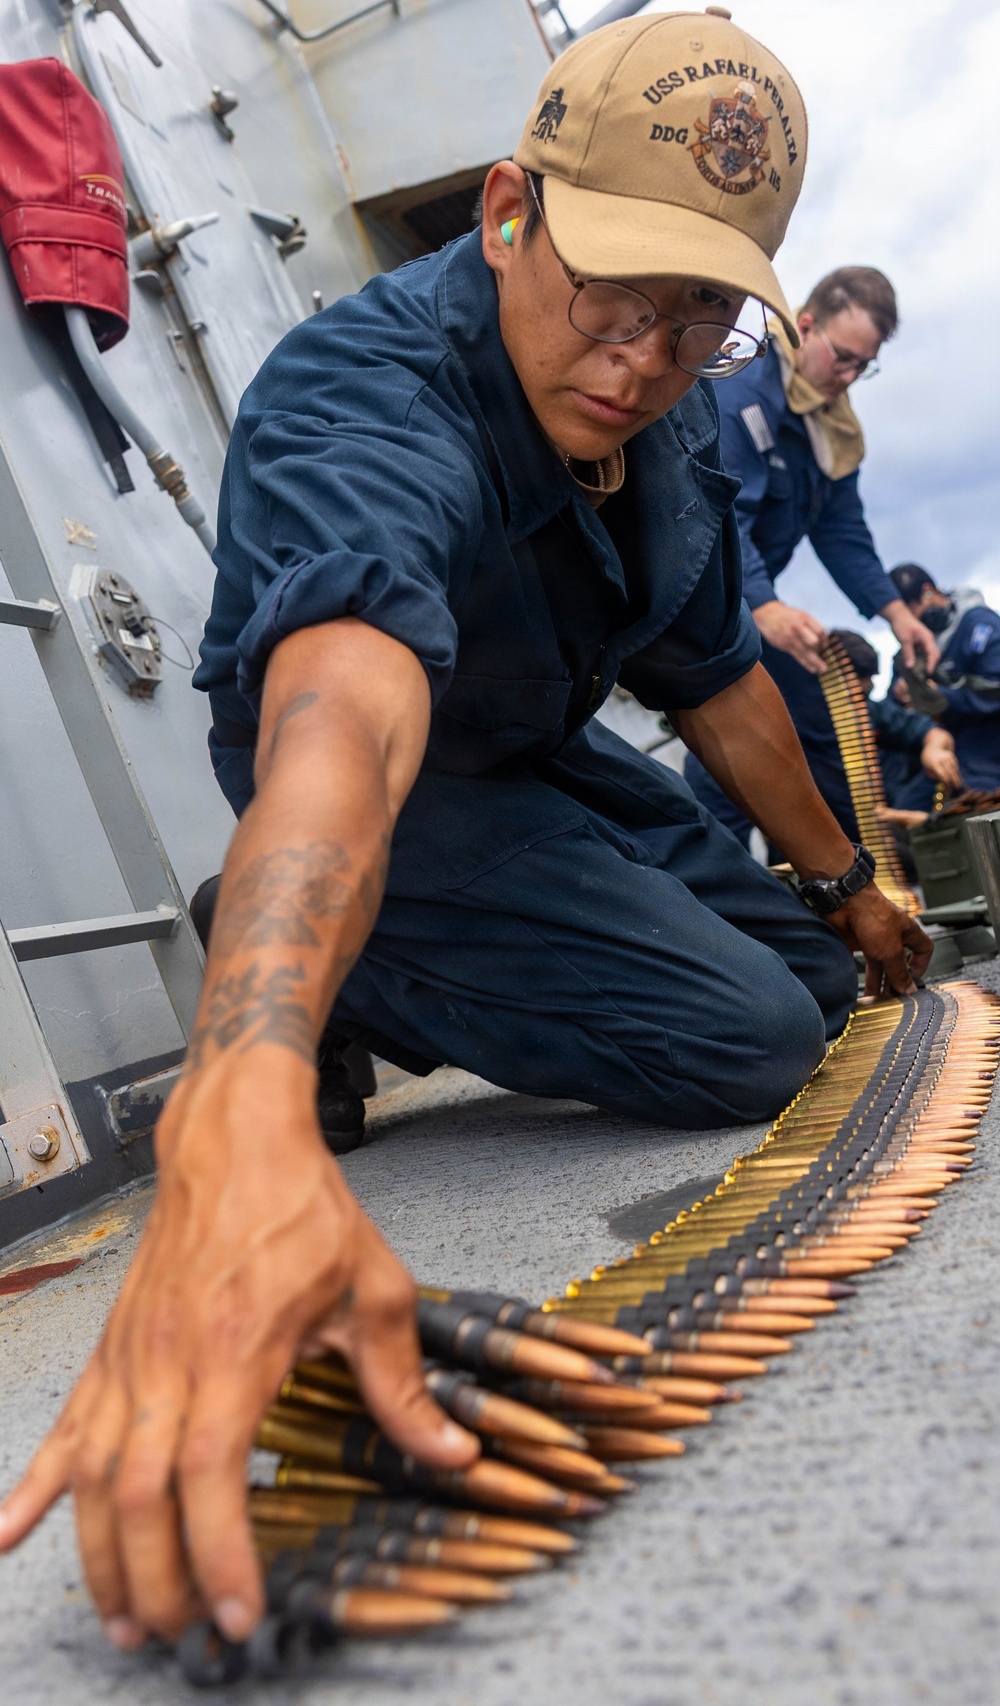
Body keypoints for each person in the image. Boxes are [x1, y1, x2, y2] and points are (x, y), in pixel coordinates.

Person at [0, 11, 931, 1654]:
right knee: (747, 1038)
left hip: (535, 753)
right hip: (381, 775)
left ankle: (406, 952)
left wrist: (851, 883)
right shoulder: (362, 395)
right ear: (510, 213)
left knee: (811, 979)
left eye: (695, 318)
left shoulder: (677, 412)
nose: (640, 362)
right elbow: (344, 718)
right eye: (612, 297)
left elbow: (717, 678)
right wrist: (238, 1097)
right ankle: (321, 962)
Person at [684, 264, 941, 842]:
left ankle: (851, 870)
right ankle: (718, 877)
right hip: (701, 592)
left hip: (746, 600)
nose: (848, 377)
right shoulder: (741, 393)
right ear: (804, 327)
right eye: (842, 358)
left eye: (863, 366)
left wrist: (897, 615)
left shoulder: (831, 429)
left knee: (819, 716)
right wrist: (764, 606)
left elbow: (843, 531)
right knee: (731, 740)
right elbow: (718, 513)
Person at [887, 564, 1000, 808]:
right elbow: (891, 713)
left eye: (909, 611)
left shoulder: (979, 625)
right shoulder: (909, 653)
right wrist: (901, 696)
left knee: (974, 812)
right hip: (944, 756)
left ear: (928, 592)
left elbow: (995, 691)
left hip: (989, 751)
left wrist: (937, 696)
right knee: (905, 811)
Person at [828, 628, 962, 805]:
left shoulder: (870, 712)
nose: (857, 703)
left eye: (863, 696)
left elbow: (929, 731)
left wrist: (935, 750)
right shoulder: (801, 725)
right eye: (852, 695)